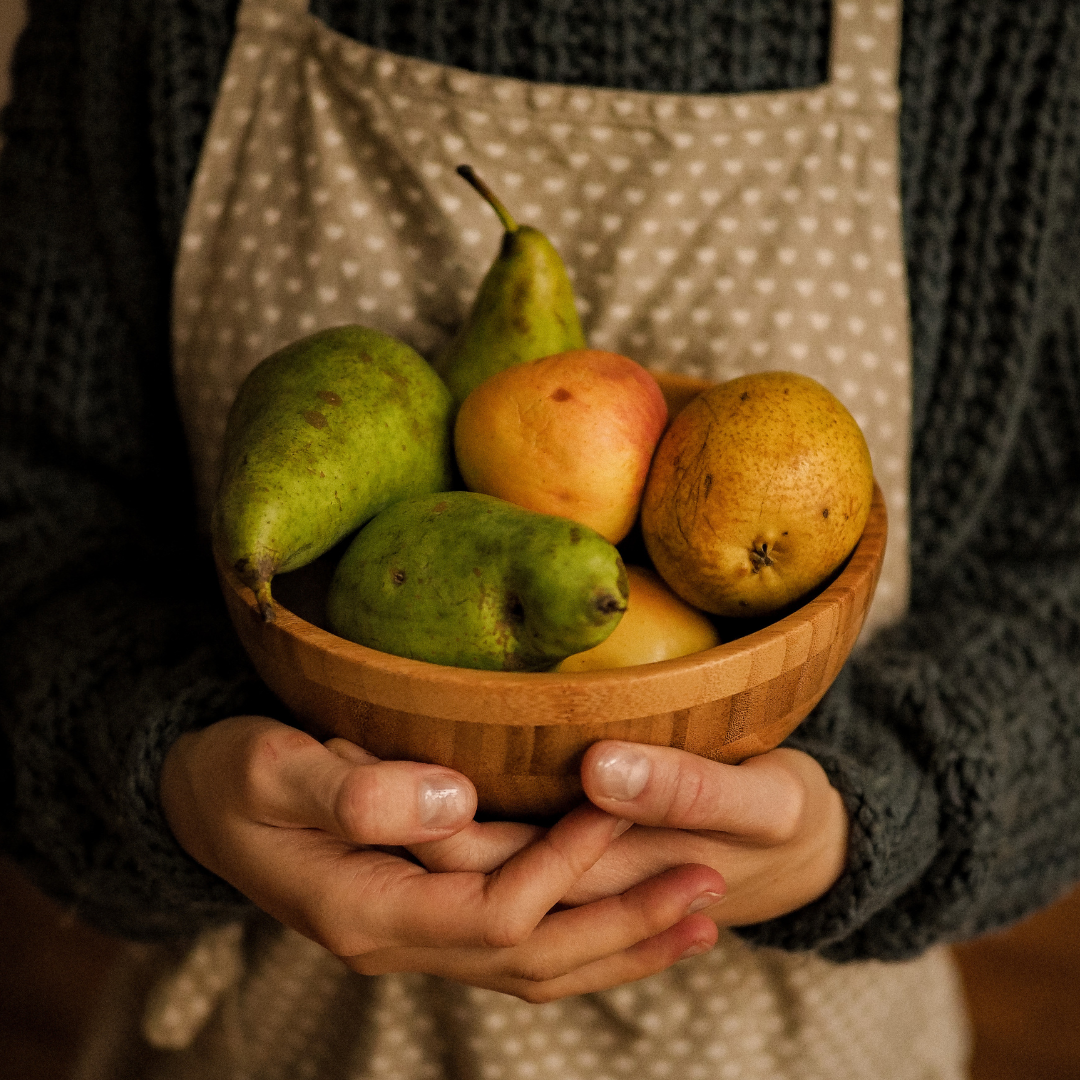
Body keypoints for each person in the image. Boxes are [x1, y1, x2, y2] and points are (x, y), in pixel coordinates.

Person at [0, 1, 1078, 1078]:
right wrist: (175, 773)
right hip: (274, 1037)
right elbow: (32, 521)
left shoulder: (999, 39)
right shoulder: (144, 26)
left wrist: (875, 810)